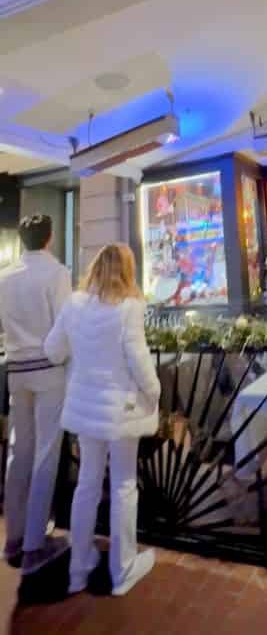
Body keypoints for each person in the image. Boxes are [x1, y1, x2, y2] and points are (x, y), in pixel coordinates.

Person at [44, 243, 159, 596]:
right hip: (122, 411)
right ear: (127, 270)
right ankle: (121, 570)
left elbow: (52, 350)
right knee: (124, 485)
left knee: (87, 484)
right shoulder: (129, 307)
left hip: (84, 408)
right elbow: (138, 360)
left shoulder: (74, 305)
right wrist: (154, 392)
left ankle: (78, 569)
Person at [0, 214, 72, 574]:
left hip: (16, 371)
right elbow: (64, 326)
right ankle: (33, 544)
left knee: (19, 452)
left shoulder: (6, 276)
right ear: (49, 237)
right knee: (46, 454)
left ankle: (12, 537)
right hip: (47, 370)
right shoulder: (56, 273)